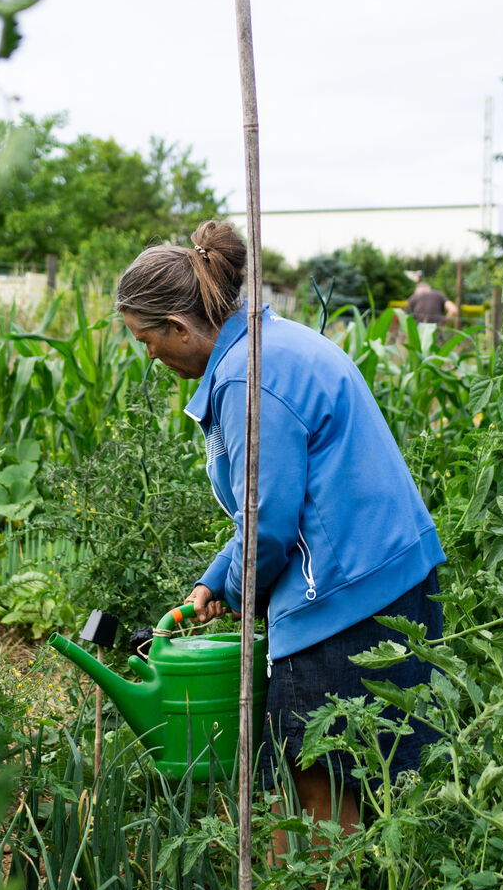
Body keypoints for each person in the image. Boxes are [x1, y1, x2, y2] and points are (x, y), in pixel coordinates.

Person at [115, 219, 445, 837]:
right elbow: (270, 507)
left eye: (147, 340)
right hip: (389, 573)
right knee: (371, 781)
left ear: (179, 328)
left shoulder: (246, 376)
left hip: (347, 596)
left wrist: (241, 596)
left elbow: (266, 525)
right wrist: (215, 582)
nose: (151, 356)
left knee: (312, 783)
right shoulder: (269, 343)